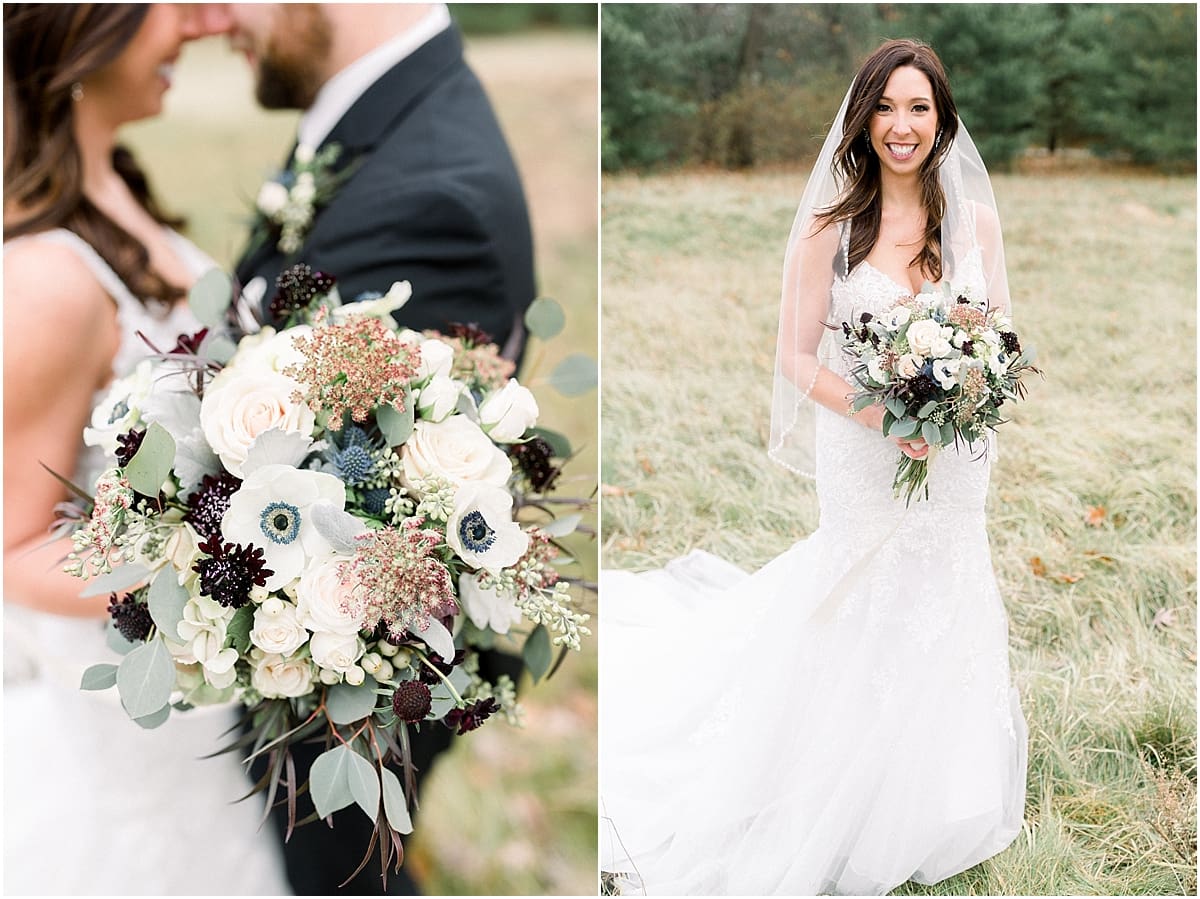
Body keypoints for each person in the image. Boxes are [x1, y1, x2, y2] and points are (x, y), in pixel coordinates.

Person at [600, 39, 1028, 895]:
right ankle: (840, 778)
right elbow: (798, 357)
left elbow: (993, 334)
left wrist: (961, 396)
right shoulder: (831, 234)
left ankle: (935, 779)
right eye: (885, 108)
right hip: (864, 451)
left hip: (954, 458)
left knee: (947, 583)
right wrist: (886, 414)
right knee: (858, 594)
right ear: (862, 118)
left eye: (918, 109)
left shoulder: (974, 223)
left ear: (942, 119)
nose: (901, 127)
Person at [222, 4, 535, 893]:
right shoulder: (379, 117)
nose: (209, 18)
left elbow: (359, 536)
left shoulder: (433, 197)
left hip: (331, 718)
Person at [2, 4, 290, 894]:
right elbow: (13, 549)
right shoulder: (49, 277)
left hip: (195, 721)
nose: (199, 24)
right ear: (87, 28)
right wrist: (240, 573)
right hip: (131, 716)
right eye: (167, 3)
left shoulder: (117, 190)